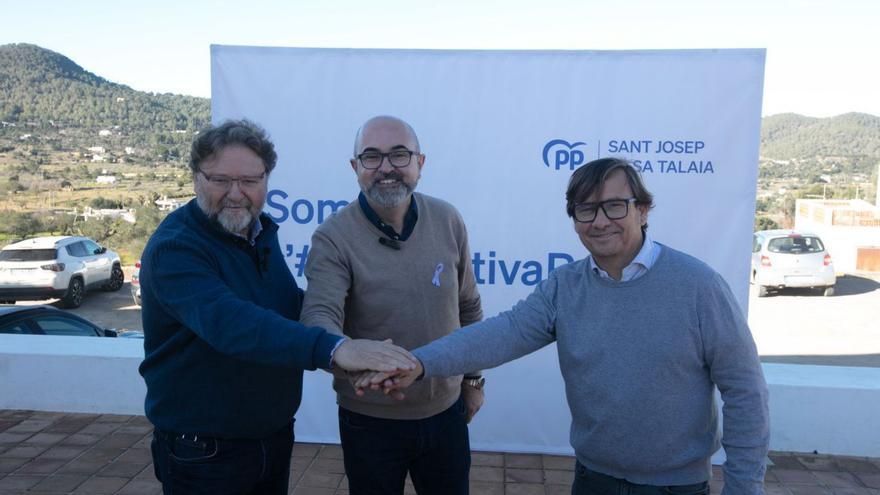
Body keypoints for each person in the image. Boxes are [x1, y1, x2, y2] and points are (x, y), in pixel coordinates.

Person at [364, 158, 770, 495]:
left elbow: (745, 391)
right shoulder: (565, 286)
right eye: (585, 209)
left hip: (676, 487)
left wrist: (744, 488)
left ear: (643, 211)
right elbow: (501, 335)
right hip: (592, 479)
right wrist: (418, 363)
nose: (599, 221)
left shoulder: (698, 286)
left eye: (615, 206)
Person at [138, 119, 418, 495]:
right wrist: (336, 350)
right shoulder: (176, 249)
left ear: (266, 180)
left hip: (272, 437)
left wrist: (355, 343)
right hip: (205, 452)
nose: (235, 194)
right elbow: (234, 323)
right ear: (196, 179)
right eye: (220, 180)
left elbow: (287, 307)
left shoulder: (257, 233)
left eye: (249, 181)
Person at [301, 115, 484, 494]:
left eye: (399, 155)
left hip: (446, 414)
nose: (386, 167)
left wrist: (473, 379)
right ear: (355, 168)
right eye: (371, 157)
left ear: (420, 163)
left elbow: (468, 307)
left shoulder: (448, 219)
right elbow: (320, 316)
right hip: (370, 422)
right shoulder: (332, 237)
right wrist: (347, 352)